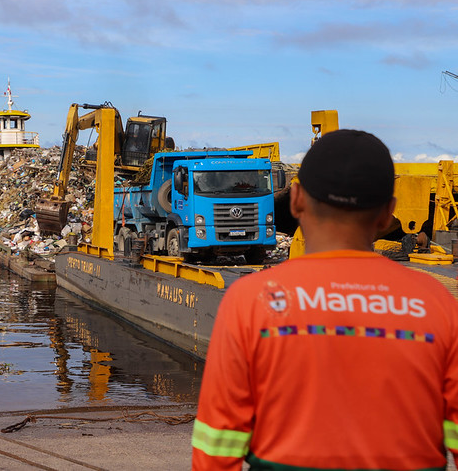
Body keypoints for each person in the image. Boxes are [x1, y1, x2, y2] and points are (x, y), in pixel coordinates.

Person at [191, 129, 458, 470]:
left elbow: (216, 449)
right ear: (388, 214)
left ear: (297, 198)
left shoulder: (251, 302)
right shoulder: (439, 306)